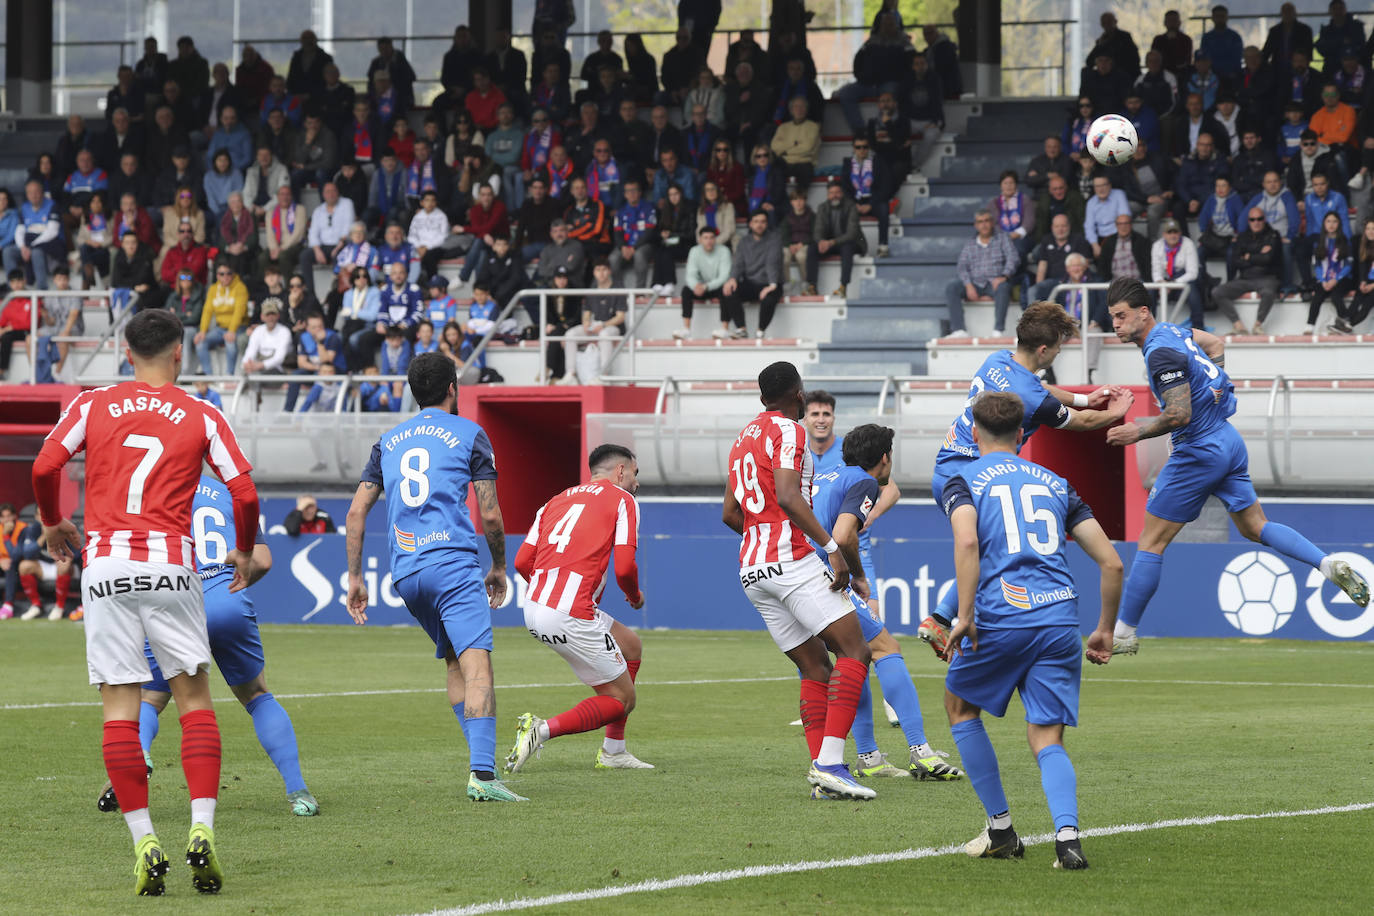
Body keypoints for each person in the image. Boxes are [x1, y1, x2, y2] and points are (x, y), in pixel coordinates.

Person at [32, 308, 260, 896]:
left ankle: (143, 839)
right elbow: (243, 490)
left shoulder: (91, 403)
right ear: (180, 352)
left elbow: (44, 465)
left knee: (119, 708)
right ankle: (202, 830)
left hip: (106, 564)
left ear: (126, 352)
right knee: (193, 700)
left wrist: (53, 520)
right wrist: (242, 549)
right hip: (171, 564)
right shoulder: (202, 412)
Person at [1104, 276, 1370, 655]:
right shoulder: (1173, 332)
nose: (1115, 324)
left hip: (1198, 449)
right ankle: (1327, 565)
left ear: (1143, 313)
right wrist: (1217, 384)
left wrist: (1138, 431)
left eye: (1121, 315)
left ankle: (1123, 635)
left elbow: (1179, 414)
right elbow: (1216, 342)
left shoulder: (1160, 352)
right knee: (1254, 526)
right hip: (1228, 440)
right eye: (1112, 316)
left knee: (1151, 542)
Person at [940, 389, 1122, 870]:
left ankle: (1000, 829)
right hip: (1060, 618)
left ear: (975, 434)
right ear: (1022, 435)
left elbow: (966, 541)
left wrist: (964, 615)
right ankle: (1067, 839)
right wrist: (1104, 629)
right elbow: (1112, 563)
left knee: (959, 707)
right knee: (1047, 736)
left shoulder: (962, 480)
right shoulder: (1057, 483)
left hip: (1001, 616)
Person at [344, 352, 524, 802]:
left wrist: (355, 578)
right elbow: (490, 513)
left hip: (406, 572)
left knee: (454, 662)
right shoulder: (470, 433)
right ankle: (482, 776)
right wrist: (498, 566)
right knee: (478, 664)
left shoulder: (387, 441)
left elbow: (355, 512)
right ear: (452, 388)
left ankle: (481, 764)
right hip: (453, 563)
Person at [97, 472, 316, 818]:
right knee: (257, 695)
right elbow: (262, 560)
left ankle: (136, 761)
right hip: (224, 598)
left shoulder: (151, 488)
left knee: (150, 699)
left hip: (171, 601)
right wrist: (238, 581)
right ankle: (298, 792)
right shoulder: (231, 491)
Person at [922, 303, 1134, 649]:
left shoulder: (998, 360)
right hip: (977, 477)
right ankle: (947, 618)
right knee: (994, 550)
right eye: (1059, 346)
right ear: (1043, 349)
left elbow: (1038, 390)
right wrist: (1115, 413)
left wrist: (1083, 398)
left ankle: (944, 618)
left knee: (989, 550)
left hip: (946, 467)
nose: (1060, 351)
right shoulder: (1031, 394)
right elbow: (1078, 423)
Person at [721, 361, 873, 800]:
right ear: (798, 394)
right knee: (854, 650)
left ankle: (824, 777)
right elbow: (788, 496)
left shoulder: (741, 440)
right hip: (790, 559)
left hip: (752, 568)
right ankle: (830, 763)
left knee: (814, 666)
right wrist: (830, 548)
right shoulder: (789, 430)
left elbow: (731, 514)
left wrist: (761, 536)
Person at [804, 406, 962, 780]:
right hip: (825, 578)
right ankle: (920, 751)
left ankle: (869, 756)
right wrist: (857, 575)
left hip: (800, 577)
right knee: (885, 648)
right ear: (885, 457)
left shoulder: (828, 475)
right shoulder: (863, 482)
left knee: (850, 658)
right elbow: (844, 537)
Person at [506, 444, 654, 773]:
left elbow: (521, 562)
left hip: (534, 606)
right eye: (635, 473)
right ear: (620, 472)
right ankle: (540, 730)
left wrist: (550, 591)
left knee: (631, 646)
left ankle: (614, 752)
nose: (636, 482)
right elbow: (625, 568)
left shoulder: (554, 501)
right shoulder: (622, 499)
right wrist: (635, 596)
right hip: (569, 611)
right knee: (621, 699)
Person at [945, 210, 1020, 338]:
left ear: (992, 223)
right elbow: (962, 266)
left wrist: (1004, 276)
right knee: (952, 287)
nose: (984, 225)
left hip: (995, 283)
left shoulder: (1002, 238)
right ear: (976, 225)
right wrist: (968, 285)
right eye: (980, 222)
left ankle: (998, 331)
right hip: (975, 284)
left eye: (986, 221)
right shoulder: (970, 243)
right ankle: (959, 330)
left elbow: (1013, 258)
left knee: (1004, 287)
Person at [1214, 207, 1282, 334]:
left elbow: (1268, 259)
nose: (1256, 222)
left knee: (1269, 292)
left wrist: (1248, 255)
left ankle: (1258, 325)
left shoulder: (1273, 235)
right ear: (1248, 221)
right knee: (1218, 292)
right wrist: (1258, 254)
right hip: (1245, 278)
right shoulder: (1242, 236)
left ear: (1264, 220)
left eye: (1259, 219)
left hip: (1266, 277)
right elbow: (1236, 260)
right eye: (1252, 219)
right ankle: (1238, 326)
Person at [722, 210, 783, 340]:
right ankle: (741, 329)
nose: (759, 225)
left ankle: (760, 331)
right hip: (752, 282)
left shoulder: (775, 238)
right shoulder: (744, 241)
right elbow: (738, 263)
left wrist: (772, 285)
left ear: (767, 224)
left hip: (770, 282)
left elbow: (772, 262)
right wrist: (732, 278)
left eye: (762, 222)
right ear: (750, 224)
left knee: (769, 299)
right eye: (756, 221)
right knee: (729, 291)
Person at [561, 259, 624, 383]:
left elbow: (620, 317)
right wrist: (586, 323)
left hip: (612, 328)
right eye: (598, 270)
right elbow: (587, 313)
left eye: (604, 269)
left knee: (604, 335)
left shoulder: (618, 289)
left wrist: (603, 325)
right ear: (594, 272)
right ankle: (571, 374)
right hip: (595, 326)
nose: (601, 273)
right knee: (570, 334)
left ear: (609, 271)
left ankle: (604, 375)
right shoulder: (592, 289)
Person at [807, 180, 865, 299]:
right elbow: (817, 230)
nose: (834, 195)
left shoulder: (851, 206)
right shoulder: (822, 207)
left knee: (847, 248)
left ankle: (843, 286)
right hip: (829, 244)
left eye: (837, 192)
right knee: (812, 248)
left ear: (842, 193)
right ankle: (812, 287)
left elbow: (852, 233)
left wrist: (831, 242)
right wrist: (821, 241)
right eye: (831, 193)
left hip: (851, 243)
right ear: (828, 195)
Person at [679, 225, 731, 340]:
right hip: (700, 288)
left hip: (716, 286)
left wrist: (706, 286)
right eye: (705, 238)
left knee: (726, 290)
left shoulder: (724, 251)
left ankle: (724, 329)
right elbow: (690, 274)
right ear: (700, 239)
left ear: (715, 239)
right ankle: (686, 329)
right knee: (686, 290)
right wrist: (696, 286)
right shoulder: (694, 251)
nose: (709, 241)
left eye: (712, 237)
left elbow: (724, 276)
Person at [1306, 210, 1354, 332]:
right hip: (1324, 279)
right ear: (1324, 224)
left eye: (1334, 221)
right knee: (1317, 297)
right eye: (1328, 221)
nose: (1331, 224)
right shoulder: (1319, 242)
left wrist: (1335, 280)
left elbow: (1348, 265)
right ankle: (1309, 326)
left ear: (1339, 224)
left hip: (1342, 279)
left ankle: (1346, 322)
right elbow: (1317, 265)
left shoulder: (1345, 241)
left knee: (1336, 295)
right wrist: (1322, 281)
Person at [239, 298, 292, 374]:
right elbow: (250, 351)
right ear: (262, 317)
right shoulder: (258, 331)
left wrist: (259, 365)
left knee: (259, 375)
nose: (270, 317)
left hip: (278, 369)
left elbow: (279, 358)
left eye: (273, 314)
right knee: (246, 373)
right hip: (259, 367)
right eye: (267, 314)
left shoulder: (284, 331)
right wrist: (247, 364)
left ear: (278, 316)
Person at [1199, 5, 1243, 80]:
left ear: (1227, 17)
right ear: (1212, 18)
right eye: (1217, 16)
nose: (1219, 19)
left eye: (1222, 16)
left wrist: (1232, 73)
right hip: (1210, 76)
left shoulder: (1235, 37)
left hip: (1231, 76)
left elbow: (1237, 58)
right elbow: (1204, 58)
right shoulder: (1206, 38)